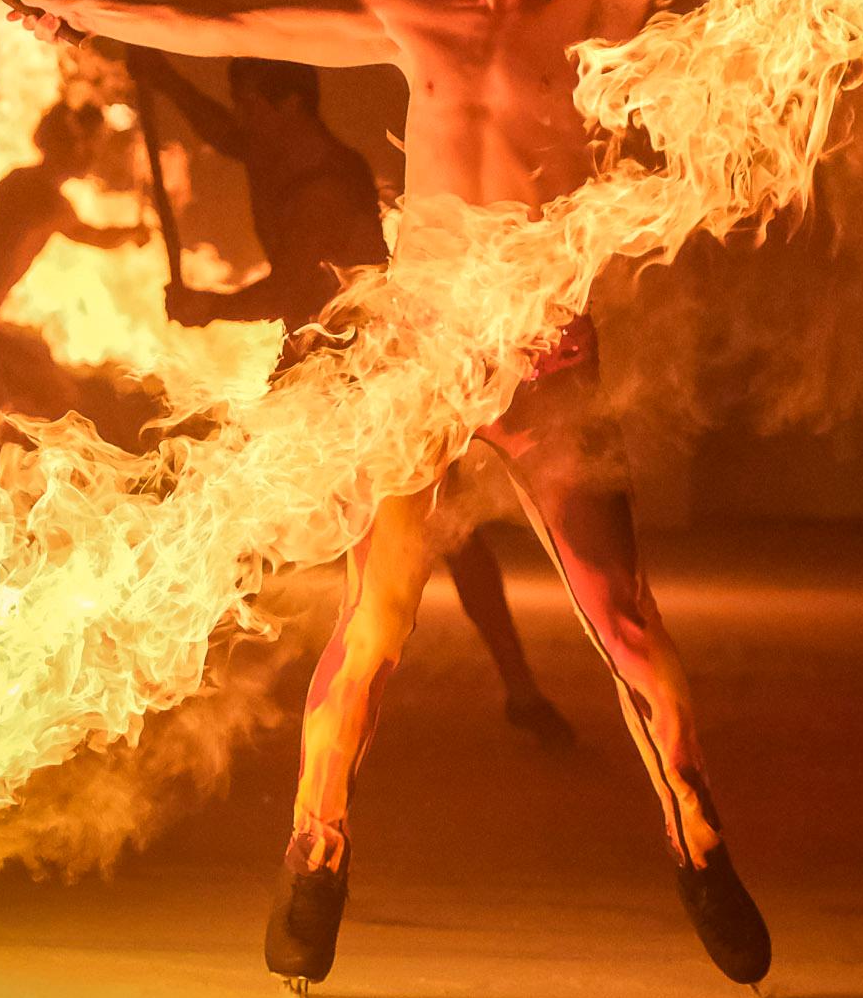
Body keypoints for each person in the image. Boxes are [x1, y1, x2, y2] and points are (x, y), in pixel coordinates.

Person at [19, 0, 768, 991]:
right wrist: (77, 13)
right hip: (423, 365)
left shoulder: (594, 9)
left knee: (624, 626)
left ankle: (699, 840)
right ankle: (315, 855)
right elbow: (224, 26)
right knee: (374, 624)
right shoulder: (409, 21)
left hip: (546, 364)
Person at [131, 48, 578, 749]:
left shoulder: (323, 185)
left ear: (290, 106)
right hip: (318, 361)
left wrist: (206, 306)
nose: (242, 121)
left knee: (444, 527)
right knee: (245, 505)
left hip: (369, 371)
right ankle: (168, 659)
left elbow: (298, 292)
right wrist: (163, 80)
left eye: (251, 104)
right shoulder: (275, 149)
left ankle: (518, 687)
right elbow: (227, 134)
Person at [0, 100, 143, 444]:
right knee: (27, 410)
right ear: (71, 148)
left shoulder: (18, 181)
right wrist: (136, 233)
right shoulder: (45, 200)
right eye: (88, 146)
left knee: (52, 399)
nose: (92, 157)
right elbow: (96, 237)